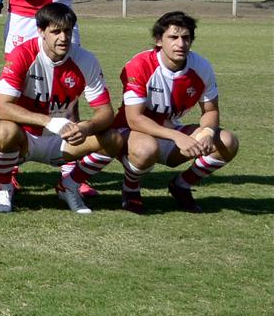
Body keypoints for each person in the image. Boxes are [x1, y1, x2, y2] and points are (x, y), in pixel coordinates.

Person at [71, 11, 240, 213]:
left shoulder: (201, 67)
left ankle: (182, 185)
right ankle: (131, 188)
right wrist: (178, 137)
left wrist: (207, 133)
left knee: (228, 141)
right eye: (173, 37)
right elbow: (134, 119)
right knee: (146, 149)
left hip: (169, 132)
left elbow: (211, 110)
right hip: (129, 133)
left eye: (186, 38)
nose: (180, 44)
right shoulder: (140, 64)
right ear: (159, 40)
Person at [0, 3, 122, 214]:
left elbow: (106, 113)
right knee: (3, 130)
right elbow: (1, 107)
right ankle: (4, 186)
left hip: (64, 141)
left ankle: (69, 186)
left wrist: (87, 127)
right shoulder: (22, 54)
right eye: (56, 31)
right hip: (25, 140)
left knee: (113, 138)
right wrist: (49, 121)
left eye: (68, 31)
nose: (63, 38)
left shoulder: (85, 60)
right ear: (41, 31)